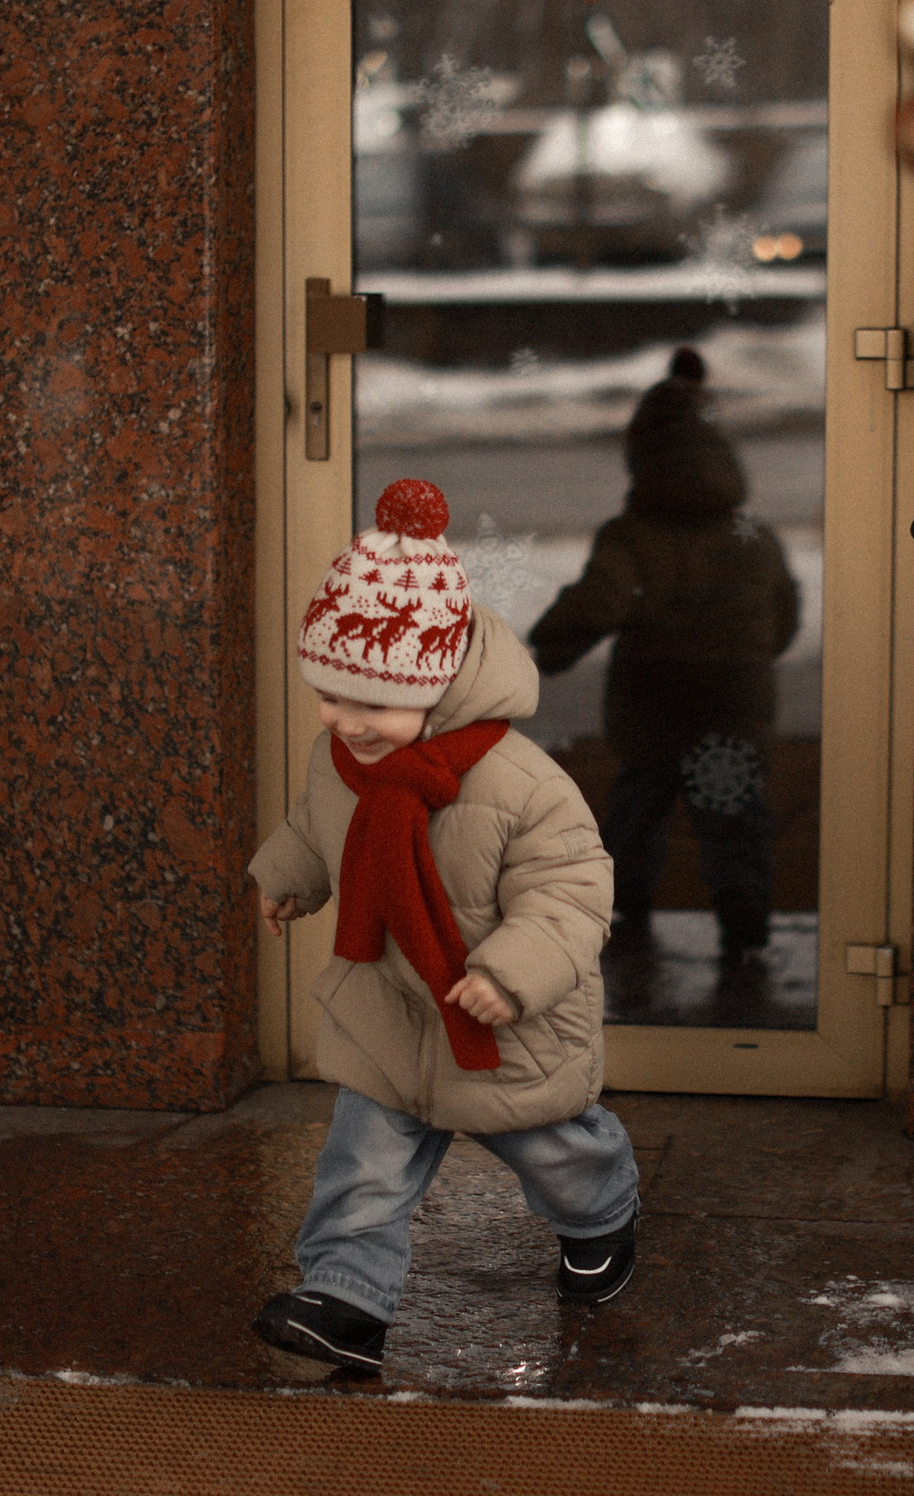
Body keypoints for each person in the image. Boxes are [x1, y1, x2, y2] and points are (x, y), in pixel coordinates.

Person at [249, 478, 639, 1377]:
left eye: (372, 703)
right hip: (388, 1007)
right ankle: (345, 1297)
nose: (347, 722)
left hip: (502, 1022)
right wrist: (288, 872)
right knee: (363, 1162)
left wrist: (510, 972)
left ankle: (604, 1210)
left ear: (440, 687)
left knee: (551, 1144)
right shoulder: (342, 758)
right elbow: (320, 823)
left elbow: (573, 890)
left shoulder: (519, 782)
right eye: (330, 697)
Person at [529, 347, 800, 1009]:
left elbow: (598, 601)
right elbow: (783, 614)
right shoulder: (753, 534)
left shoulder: (632, 535)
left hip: (652, 704)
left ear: (642, 460)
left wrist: (547, 649)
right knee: (733, 818)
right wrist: (746, 659)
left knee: (637, 813)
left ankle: (626, 918)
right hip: (732, 703)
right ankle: (745, 933)